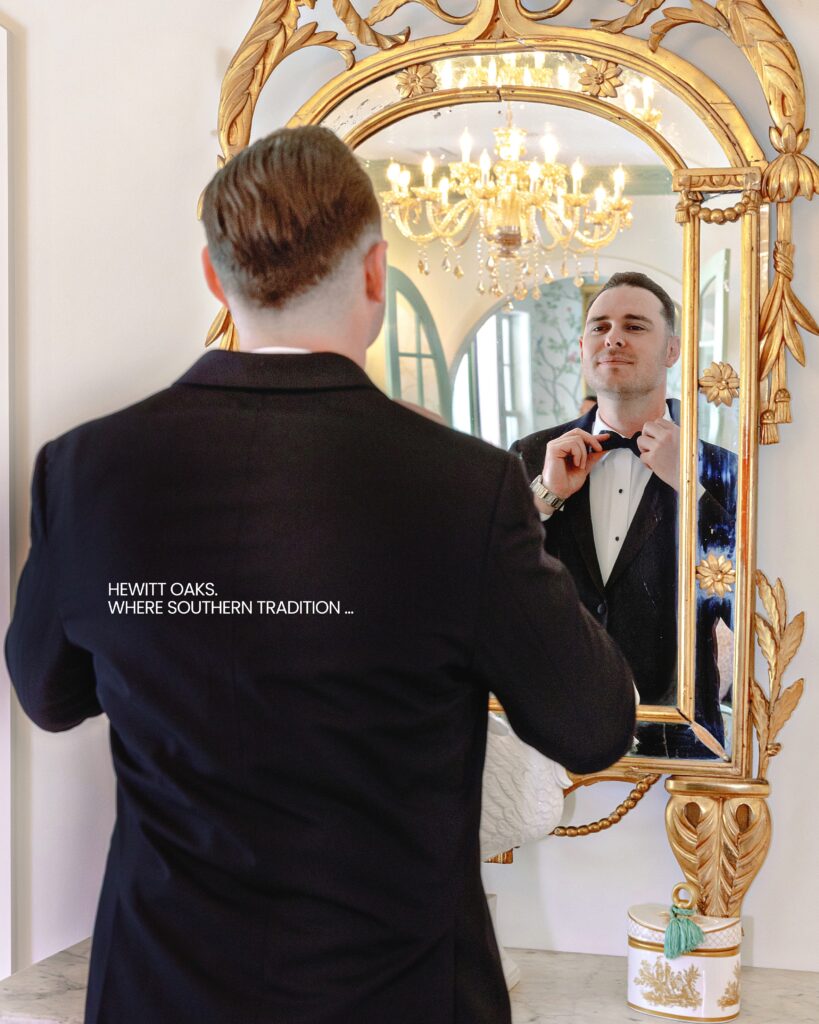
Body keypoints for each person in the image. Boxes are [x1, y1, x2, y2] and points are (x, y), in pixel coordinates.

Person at [5, 126, 637, 1024]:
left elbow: (49, 694)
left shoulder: (83, 470)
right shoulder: (463, 485)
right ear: (375, 272)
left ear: (215, 278)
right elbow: (592, 723)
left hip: (158, 992)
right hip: (397, 996)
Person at [512, 272, 735, 758]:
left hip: (678, 741)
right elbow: (493, 585)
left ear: (672, 350)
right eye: (600, 326)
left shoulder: (721, 468)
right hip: (551, 742)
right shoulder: (531, 456)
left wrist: (691, 488)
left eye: (634, 326)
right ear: (582, 344)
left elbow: (744, 602)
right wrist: (545, 495)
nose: (613, 337)